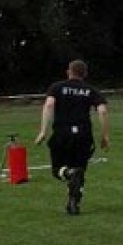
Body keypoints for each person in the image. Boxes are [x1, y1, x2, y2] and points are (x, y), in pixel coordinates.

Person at [35, 59, 110, 216]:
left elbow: (49, 105)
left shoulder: (57, 87)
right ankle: (73, 204)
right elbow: (102, 111)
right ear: (85, 74)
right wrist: (105, 136)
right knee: (80, 170)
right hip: (84, 135)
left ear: (68, 72)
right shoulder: (91, 90)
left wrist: (43, 131)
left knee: (58, 170)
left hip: (62, 133)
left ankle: (68, 174)